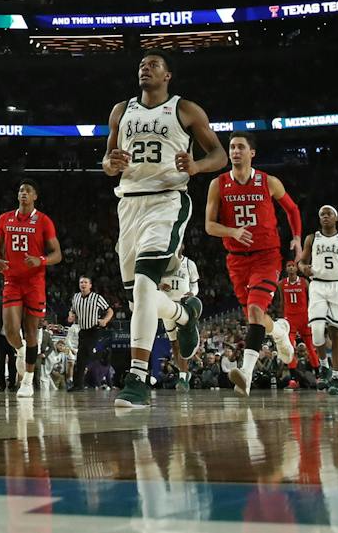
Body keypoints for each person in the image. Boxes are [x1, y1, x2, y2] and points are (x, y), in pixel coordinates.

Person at [101, 51, 226, 409]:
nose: (145, 67)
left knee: (144, 284)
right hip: (128, 204)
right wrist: (110, 163)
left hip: (167, 200)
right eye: (141, 64)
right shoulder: (121, 111)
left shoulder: (185, 110)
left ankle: (137, 378)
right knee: (139, 298)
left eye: (154, 64)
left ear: (168, 75)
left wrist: (198, 165)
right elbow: (108, 160)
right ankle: (183, 315)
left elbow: (217, 153)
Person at [204, 132, 301, 395]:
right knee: (256, 316)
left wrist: (297, 240)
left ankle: (245, 373)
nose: (235, 151)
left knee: (256, 311)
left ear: (251, 153)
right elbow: (209, 226)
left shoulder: (268, 182)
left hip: (267, 256)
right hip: (237, 260)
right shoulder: (218, 184)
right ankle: (280, 332)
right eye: (232, 147)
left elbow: (292, 210)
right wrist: (232, 232)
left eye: (240, 147)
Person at [0, 181, 62, 398]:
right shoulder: (5, 219)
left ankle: (28, 381)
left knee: (31, 332)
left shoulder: (43, 221)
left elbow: (57, 254)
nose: (23, 193)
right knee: (11, 330)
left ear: (35, 197)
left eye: (28, 191)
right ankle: (21, 351)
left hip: (34, 282)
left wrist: (40, 260)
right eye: (21, 190)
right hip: (12, 279)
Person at [299, 204, 338, 396]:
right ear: (320, 219)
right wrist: (303, 268)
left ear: (336, 218)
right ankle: (324, 366)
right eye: (322, 214)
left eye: (329, 214)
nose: (325, 216)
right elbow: (301, 261)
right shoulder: (311, 238)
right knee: (317, 331)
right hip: (317, 285)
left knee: (336, 333)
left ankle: (335, 377)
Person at [158, 248, 199, 389]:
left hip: (183, 305)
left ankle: (182, 376)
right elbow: (152, 282)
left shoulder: (189, 264)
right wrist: (159, 285)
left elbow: (195, 284)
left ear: (183, 246)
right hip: (167, 306)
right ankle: (184, 373)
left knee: (183, 342)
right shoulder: (163, 263)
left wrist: (192, 293)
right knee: (174, 344)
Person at [67, 276, 114, 390]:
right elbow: (72, 310)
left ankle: (80, 383)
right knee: (81, 357)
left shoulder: (97, 297)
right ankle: (78, 384)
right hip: (82, 330)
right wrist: (71, 315)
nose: (83, 284)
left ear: (90, 285)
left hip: (94, 330)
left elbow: (110, 311)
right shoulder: (76, 297)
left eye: (85, 282)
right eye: (81, 282)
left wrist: (105, 320)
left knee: (84, 354)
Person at [277, 259, 319, 373]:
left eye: (293, 266)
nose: (291, 268)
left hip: (304, 317)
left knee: (310, 347)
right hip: (290, 319)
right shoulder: (281, 283)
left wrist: (312, 314)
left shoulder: (304, 282)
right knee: (289, 348)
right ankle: (293, 377)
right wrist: (282, 317)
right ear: (286, 269)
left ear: (296, 268)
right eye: (288, 266)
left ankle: (318, 374)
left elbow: (311, 299)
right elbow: (282, 302)